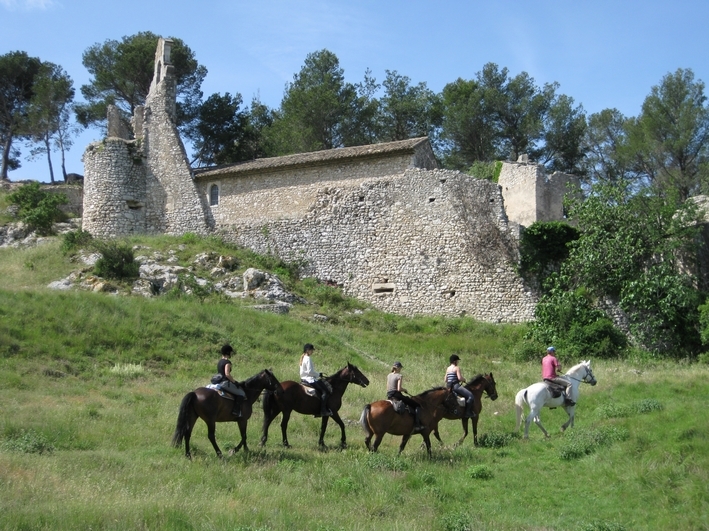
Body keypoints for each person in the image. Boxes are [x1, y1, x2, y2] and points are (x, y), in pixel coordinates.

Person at [386, 361, 424, 433]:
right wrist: (405, 390)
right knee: (417, 405)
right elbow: (399, 389)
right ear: (398, 368)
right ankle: (417, 424)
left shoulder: (389, 375)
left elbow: (387, 388)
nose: (400, 369)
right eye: (400, 368)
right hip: (396, 394)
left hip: (389, 395)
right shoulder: (399, 376)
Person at [299, 343, 332, 417]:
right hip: (309, 379)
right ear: (307, 350)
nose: (312, 352)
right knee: (325, 392)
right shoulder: (308, 358)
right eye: (311, 350)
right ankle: (323, 410)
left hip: (303, 378)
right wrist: (319, 374)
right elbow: (310, 372)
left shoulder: (303, 357)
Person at [216, 344, 246, 417]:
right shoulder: (227, 362)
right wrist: (234, 382)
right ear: (228, 352)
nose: (231, 354)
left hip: (218, 382)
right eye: (231, 352)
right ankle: (236, 411)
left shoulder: (220, 361)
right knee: (242, 393)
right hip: (225, 383)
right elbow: (227, 374)